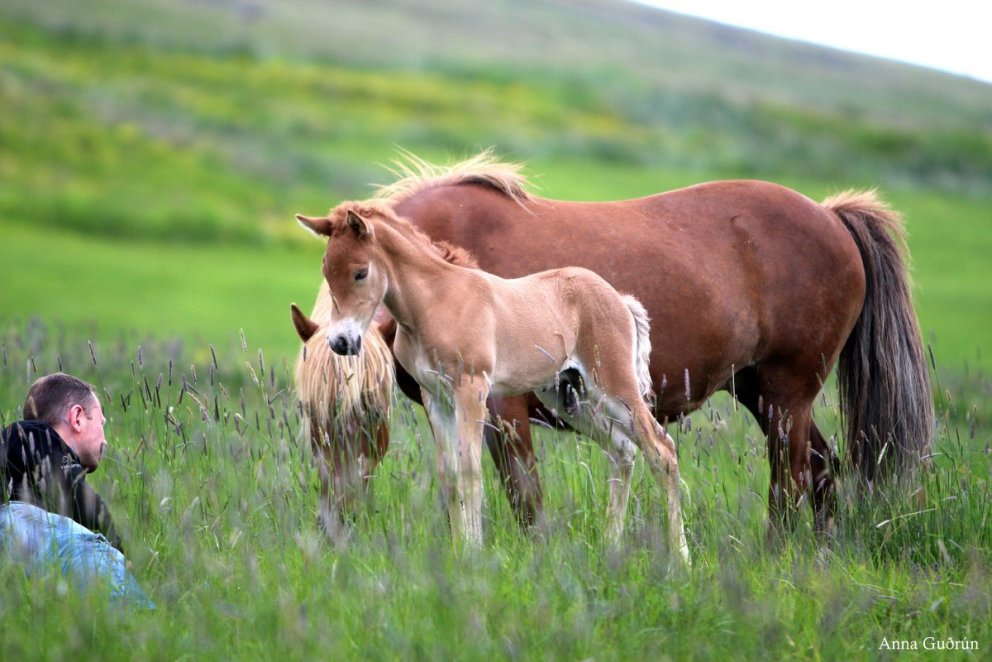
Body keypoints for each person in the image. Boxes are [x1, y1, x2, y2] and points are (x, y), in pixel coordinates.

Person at [1, 372, 152, 607]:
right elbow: (80, 499)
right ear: (78, 417)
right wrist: (119, 550)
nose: (106, 441)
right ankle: (137, 622)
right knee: (99, 554)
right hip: (10, 523)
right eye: (101, 423)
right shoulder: (36, 436)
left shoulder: (34, 454)